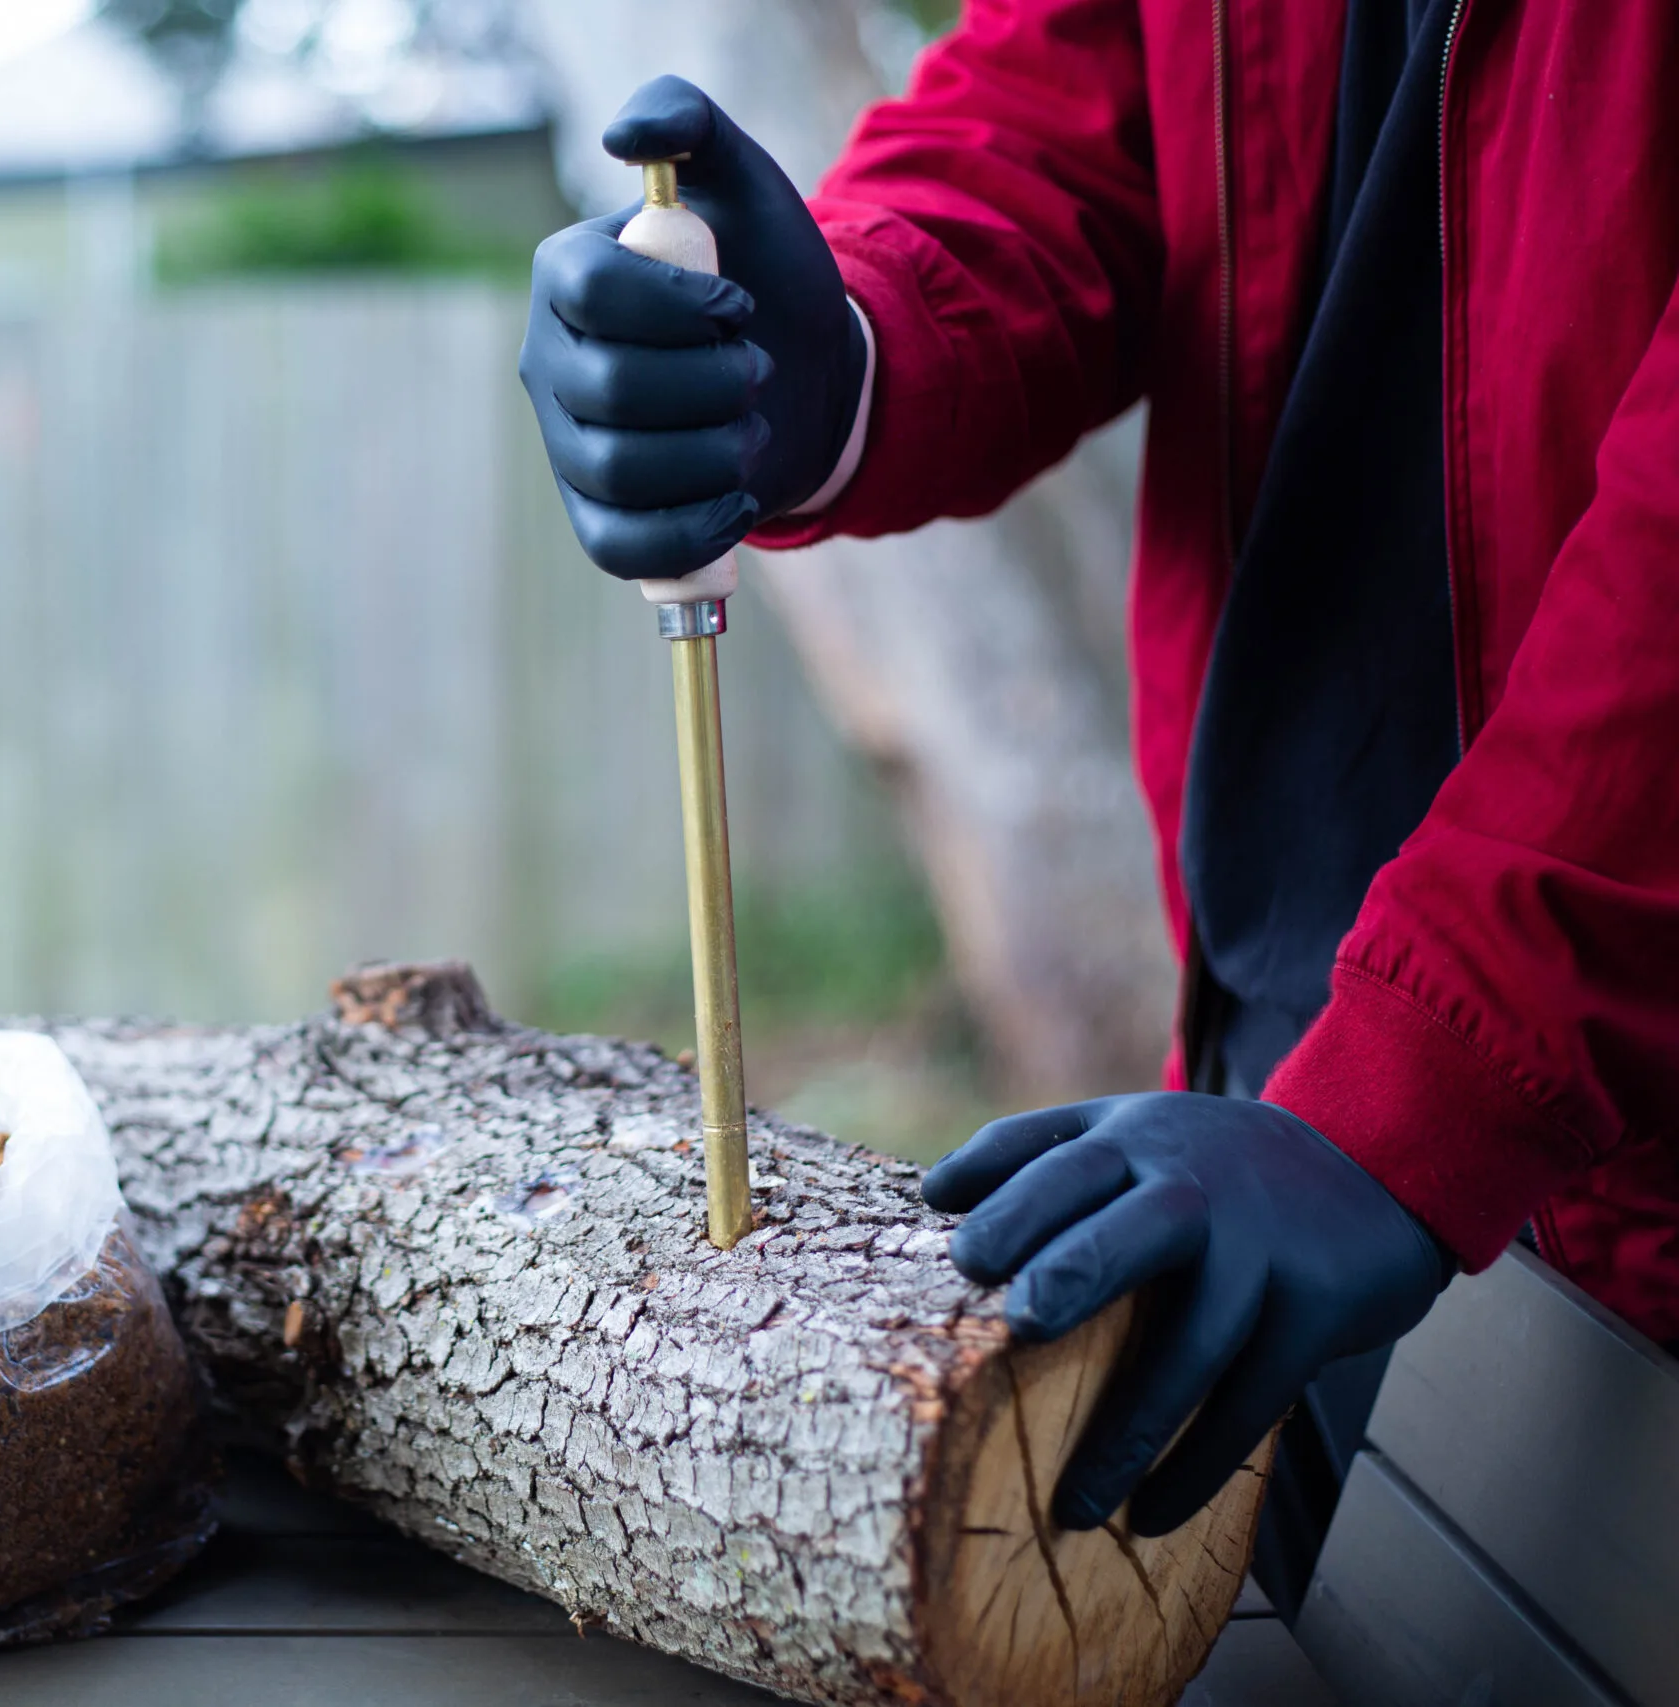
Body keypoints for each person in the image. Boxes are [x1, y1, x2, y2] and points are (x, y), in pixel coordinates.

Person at [517, 3, 1679, 1617]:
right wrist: (845, 345)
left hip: (1600, 1191)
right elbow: (1075, 107)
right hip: (1268, 1137)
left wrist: (1438, 1078)